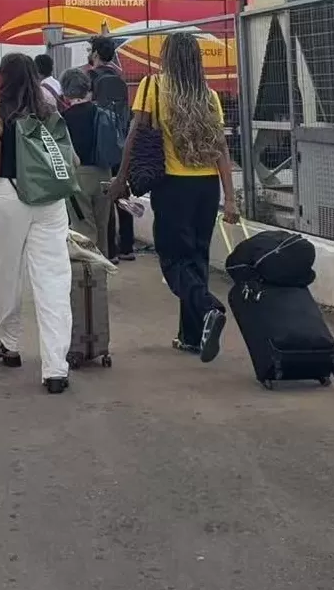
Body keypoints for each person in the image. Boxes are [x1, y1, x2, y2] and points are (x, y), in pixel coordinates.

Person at [110, 33, 238, 363]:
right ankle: (193, 336)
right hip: (207, 188)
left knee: (172, 260)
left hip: (173, 187)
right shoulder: (208, 96)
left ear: (167, 57)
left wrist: (121, 178)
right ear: (196, 60)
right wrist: (231, 198)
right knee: (196, 258)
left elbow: (135, 135)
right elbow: (222, 149)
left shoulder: (152, 87)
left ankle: (209, 307)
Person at [0, 53, 75, 394]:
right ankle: (55, 368)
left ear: (3, 79)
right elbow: (70, 159)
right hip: (51, 200)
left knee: (7, 273)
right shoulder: (51, 114)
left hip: (11, 197)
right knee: (54, 281)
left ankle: (9, 341)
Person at [55, 67, 117, 258]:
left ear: (65, 92)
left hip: (79, 176)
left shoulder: (64, 119)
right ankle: (101, 278)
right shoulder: (102, 113)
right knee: (102, 226)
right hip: (104, 174)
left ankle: (88, 279)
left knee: (84, 228)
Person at [86, 36, 136, 260]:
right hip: (121, 140)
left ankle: (111, 250)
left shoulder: (90, 78)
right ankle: (127, 245)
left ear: (95, 53)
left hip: (100, 143)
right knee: (122, 191)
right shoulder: (119, 79)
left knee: (105, 194)